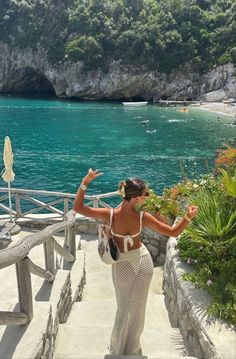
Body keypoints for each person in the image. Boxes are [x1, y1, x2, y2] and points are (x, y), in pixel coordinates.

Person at [73, 169, 198, 356]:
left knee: (123, 309)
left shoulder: (110, 215)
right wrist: (188, 217)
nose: (147, 197)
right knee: (137, 310)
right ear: (135, 198)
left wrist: (85, 183)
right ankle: (133, 349)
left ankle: (118, 350)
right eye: (145, 194)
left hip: (123, 265)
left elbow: (78, 208)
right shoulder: (143, 217)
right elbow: (173, 232)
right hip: (143, 262)